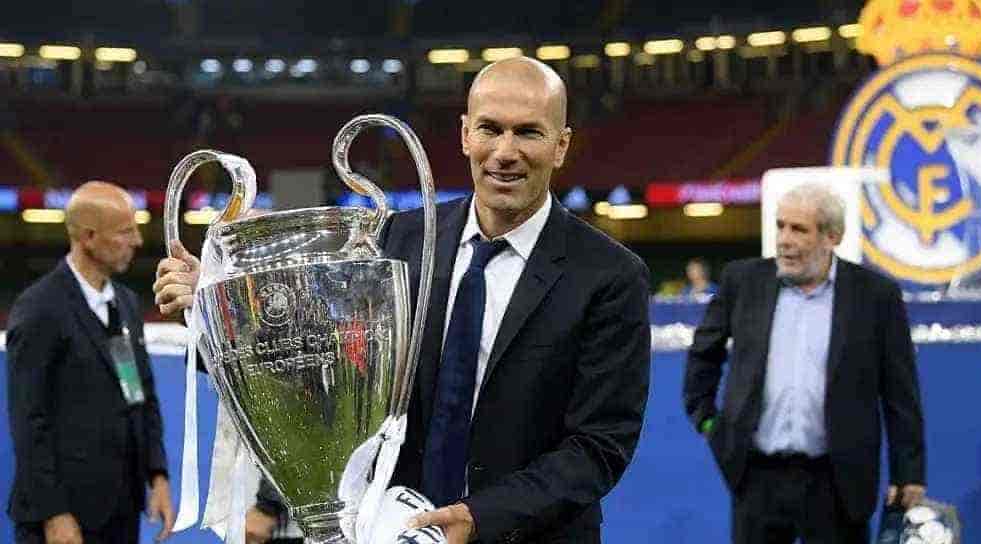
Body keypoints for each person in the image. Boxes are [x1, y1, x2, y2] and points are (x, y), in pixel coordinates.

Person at [154, 56, 651, 544]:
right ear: (465, 134)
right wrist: (218, 313)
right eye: (489, 129)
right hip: (389, 530)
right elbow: (321, 372)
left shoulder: (609, 276)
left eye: (528, 132)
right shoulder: (398, 242)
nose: (504, 151)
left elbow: (598, 447)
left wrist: (478, 518)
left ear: (561, 145)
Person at [683, 183, 926, 544]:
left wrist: (908, 471)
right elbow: (704, 354)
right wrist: (707, 420)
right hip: (756, 478)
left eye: (799, 229)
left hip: (838, 483)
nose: (784, 240)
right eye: (780, 226)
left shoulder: (875, 295)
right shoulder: (743, 281)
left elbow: (899, 391)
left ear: (833, 237)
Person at [6, 181, 175, 544]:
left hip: (120, 511)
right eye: (125, 231)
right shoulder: (39, 310)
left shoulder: (125, 304)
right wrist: (54, 513)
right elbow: (28, 420)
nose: (137, 241)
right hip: (63, 519)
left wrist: (157, 475)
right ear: (88, 237)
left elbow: (140, 394)